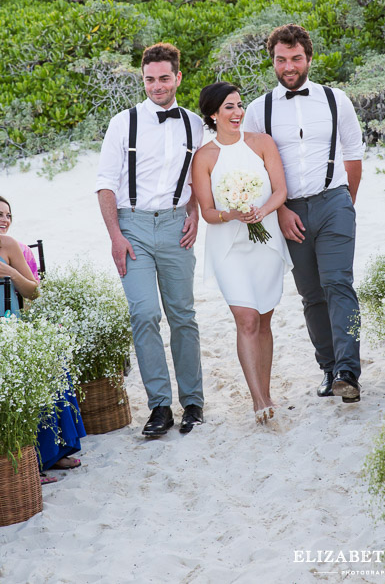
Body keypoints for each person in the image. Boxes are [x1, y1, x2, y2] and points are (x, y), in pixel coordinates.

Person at [243, 24, 364, 402]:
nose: (289, 66)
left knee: (338, 283)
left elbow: (354, 154)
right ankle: (329, 369)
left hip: (333, 202)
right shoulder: (258, 109)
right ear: (274, 62)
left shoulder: (335, 100)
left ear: (309, 58)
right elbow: (254, 170)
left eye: (296, 58)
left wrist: (345, 203)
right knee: (311, 294)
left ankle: (349, 371)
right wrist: (279, 213)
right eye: (281, 60)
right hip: (288, 211)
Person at [96, 42, 204, 436]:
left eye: (163, 79)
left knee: (183, 316)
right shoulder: (122, 123)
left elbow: (200, 179)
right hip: (133, 228)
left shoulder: (195, 123)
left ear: (177, 77)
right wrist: (115, 235)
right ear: (142, 80)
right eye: (149, 80)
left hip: (178, 226)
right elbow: (106, 184)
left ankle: (193, 401)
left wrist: (193, 214)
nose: (157, 86)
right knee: (144, 314)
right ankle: (159, 406)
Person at [192, 82, 292, 424]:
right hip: (229, 248)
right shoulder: (204, 157)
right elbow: (206, 211)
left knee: (264, 318)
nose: (237, 113)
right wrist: (233, 213)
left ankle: (266, 389)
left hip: (266, 242)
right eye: (229, 108)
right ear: (213, 114)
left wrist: (261, 212)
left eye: (239, 106)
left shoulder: (262, 143)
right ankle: (258, 399)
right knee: (247, 319)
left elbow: (281, 190)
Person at [0, 195, 85, 484]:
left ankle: (53, 452)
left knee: (53, 368)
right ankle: (26, 468)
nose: (4, 220)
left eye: (8, 215)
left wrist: (10, 272)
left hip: (13, 328)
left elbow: (33, 292)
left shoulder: (9, 246)